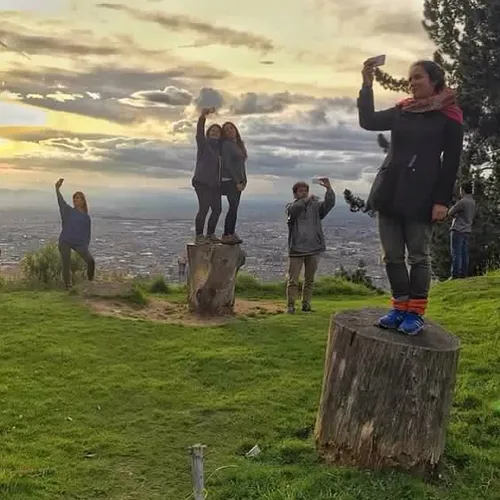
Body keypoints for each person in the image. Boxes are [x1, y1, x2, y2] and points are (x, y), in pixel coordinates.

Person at [359, 59, 463, 335]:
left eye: (418, 77)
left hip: (422, 194)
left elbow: (451, 162)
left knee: (418, 255)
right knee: (391, 256)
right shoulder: (402, 110)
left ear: (434, 81)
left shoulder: (449, 116)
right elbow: (368, 121)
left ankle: (415, 312)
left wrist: (442, 201)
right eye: (410, 78)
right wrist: (367, 85)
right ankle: (399, 306)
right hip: (390, 190)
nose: (412, 82)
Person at [286, 178, 335, 314]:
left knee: (309, 279)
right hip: (296, 249)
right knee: (293, 280)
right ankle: (290, 306)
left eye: (306, 191)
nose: (304, 193)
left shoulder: (315, 207)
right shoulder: (290, 207)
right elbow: (295, 210)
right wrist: (306, 200)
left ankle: (306, 304)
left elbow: (329, 205)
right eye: (301, 191)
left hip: (313, 247)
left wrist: (329, 189)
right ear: (295, 194)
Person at [55, 178, 95, 289]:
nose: (75, 200)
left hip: (79, 243)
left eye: (78, 198)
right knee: (66, 264)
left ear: (83, 201)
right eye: (74, 198)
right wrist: (57, 189)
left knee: (91, 261)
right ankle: (68, 286)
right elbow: (61, 202)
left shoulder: (86, 218)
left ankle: (90, 283)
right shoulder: (68, 211)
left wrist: (85, 247)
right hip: (65, 241)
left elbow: (87, 234)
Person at [192, 108, 223, 245]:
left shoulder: (221, 149)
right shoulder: (204, 145)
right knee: (204, 208)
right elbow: (199, 134)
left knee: (217, 209)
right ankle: (199, 235)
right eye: (213, 131)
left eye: (218, 132)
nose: (215, 133)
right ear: (208, 133)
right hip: (202, 182)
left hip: (215, 184)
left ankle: (210, 234)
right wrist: (202, 117)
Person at [220, 121, 247, 245]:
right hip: (230, 180)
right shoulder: (226, 145)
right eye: (226, 130)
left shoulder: (238, 145)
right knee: (233, 207)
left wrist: (244, 180)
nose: (230, 131)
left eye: (231, 128)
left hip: (239, 180)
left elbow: (241, 165)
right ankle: (226, 234)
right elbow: (228, 164)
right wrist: (237, 181)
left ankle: (231, 232)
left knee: (234, 208)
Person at [449, 181, 475, 279]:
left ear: (463, 190)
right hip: (467, 229)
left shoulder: (463, 202)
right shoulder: (472, 201)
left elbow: (450, 212)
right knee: (464, 253)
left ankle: (455, 274)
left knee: (456, 253)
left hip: (458, 229)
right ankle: (463, 274)